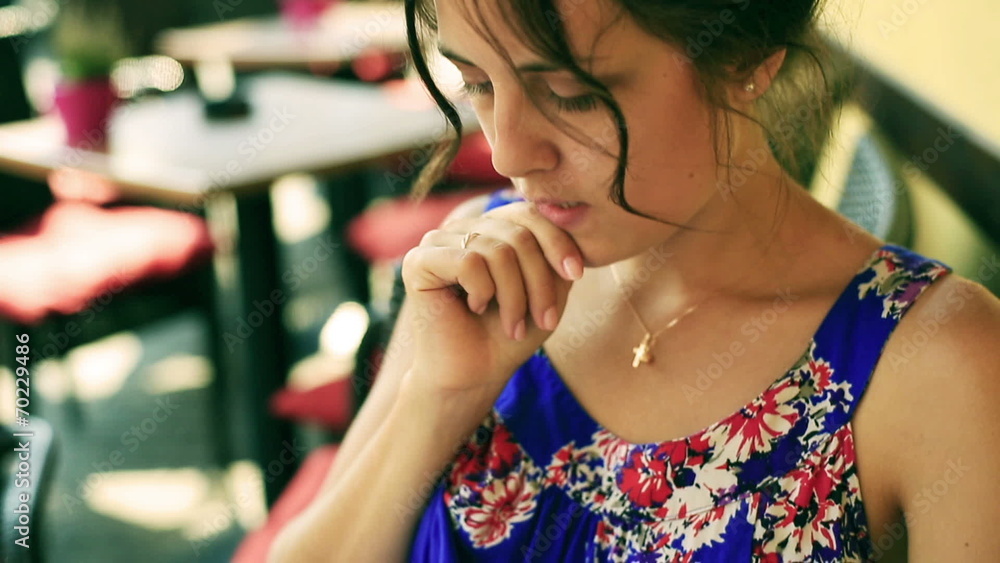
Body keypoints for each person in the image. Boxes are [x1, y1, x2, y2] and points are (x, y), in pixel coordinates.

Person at [268, 0, 1000, 561]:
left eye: (573, 93)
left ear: (748, 54)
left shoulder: (936, 360)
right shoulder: (489, 258)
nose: (508, 152)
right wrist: (437, 398)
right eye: (476, 83)